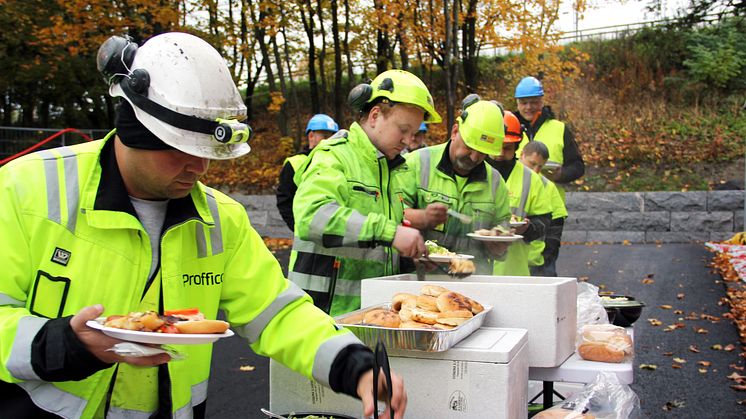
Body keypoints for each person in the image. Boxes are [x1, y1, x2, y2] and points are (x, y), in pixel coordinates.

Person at [0, 33, 406, 419]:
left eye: (209, 152)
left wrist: (356, 366)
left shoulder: (220, 219)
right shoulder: (28, 189)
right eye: (182, 150)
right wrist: (64, 344)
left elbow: (277, 312)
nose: (200, 167)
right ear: (135, 128)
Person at [290, 69, 440, 316]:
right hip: (321, 318)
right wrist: (390, 233)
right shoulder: (334, 156)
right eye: (403, 130)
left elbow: (375, 248)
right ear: (375, 115)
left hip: (371, 316)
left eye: (413, 133)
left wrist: (408, 256)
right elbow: (312, 217)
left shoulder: (393, 170)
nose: (407, 140)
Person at [397, 96, 512, 274]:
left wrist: (498, 242)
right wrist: (423, 217)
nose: (474, 157)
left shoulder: (495, 181)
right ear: (455, 131)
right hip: (420, 279)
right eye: (469, 147)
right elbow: (392, 214)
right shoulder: (415, 164)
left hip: (474, 280)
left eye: (483, 153)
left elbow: (503, 227)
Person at [486, 110, 552, 276]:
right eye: (497, 147)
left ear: (517, 146)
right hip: (474, 269)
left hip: (512, 272)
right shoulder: (473, 173)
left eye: (507, 148)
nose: (501, 153)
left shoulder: (530, 179)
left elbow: (544, 221)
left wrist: (528, 229)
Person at [513, 76, 585, 203]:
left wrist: (561, 175)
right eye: (524, 103)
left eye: (534, 102)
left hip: (552, 207)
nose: (529, 107)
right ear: (517, 104)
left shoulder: (559, 128)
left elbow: (577, 166)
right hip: (515, 207)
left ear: (541, 102)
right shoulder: (508, 129)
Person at [276, 114, 339, 231]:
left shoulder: (337, 163)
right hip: (306, 234)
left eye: (332, 136)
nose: (329, 140)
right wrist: (298, 228)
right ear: (311, 136)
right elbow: (284, 201)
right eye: (325, 136)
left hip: (334, 232)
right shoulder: (295, 164)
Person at [520, 140, 568, 276]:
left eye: (540, 167)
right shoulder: (505, 179)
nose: (535, 170)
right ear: (521, 155)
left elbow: (556, 227)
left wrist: (547, 258)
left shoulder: (548, 186)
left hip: (538, 263)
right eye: (532, 164)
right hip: (509, 260)